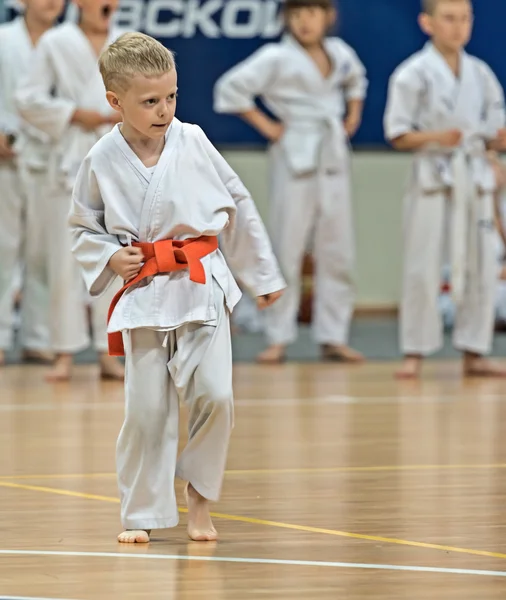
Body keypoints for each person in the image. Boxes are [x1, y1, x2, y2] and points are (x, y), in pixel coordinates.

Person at [68, 32, 285, 543]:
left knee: (218, 395)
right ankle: (141, 512)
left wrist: (262, 275)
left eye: (171, 97)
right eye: (149, 101)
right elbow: (81, 225)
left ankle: (200, 497)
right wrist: (108, 256)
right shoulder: (100, 157)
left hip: (199, 282)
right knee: (146, 411)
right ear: (114, 101)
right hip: (143, 289)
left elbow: (238, 203)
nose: (164, 109)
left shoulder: (193, 141)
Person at [214, 0, 366, 364]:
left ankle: (333, 336)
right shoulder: (275, 57)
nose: (304, 22)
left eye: (311, 13)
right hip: (294, 153)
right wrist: (268, 126)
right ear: (287, 20)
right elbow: (229, 89)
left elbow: (357, 80)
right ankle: (278, 337)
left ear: (327, 16)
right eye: (296, 15)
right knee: (287, 247)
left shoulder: (340, 52)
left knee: (337, 249)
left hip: (331, 155)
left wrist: (352, 116)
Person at [384, 0, 506, 379]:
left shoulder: (481, 73)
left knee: (482, 264)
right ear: (427, 23)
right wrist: (439, 137)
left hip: (475, 175)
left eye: (464, 19)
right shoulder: (412, 73)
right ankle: (415, 352)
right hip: (432, 175)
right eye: (449, 18)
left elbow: (495, 126)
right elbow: (398, 134)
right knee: (422, 266)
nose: (457, 27)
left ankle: (474, 350)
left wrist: (494, 144)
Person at [15, 0, 125, 381]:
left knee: (116, 260)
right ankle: (63, 351)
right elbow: (27, 99)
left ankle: (109, 352)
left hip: (118, 158)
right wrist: (77, 114)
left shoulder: (127, 42)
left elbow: (153, 93)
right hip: (68, 162)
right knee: (64, 261)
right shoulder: (57, 41)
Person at [0, 0, 65, 367]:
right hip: (5, 155)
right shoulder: (3, 39)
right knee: (2, 247)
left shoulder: (66, 43)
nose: (51, 2)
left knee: (44, 252)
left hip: (50, 155)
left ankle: (39, 337)